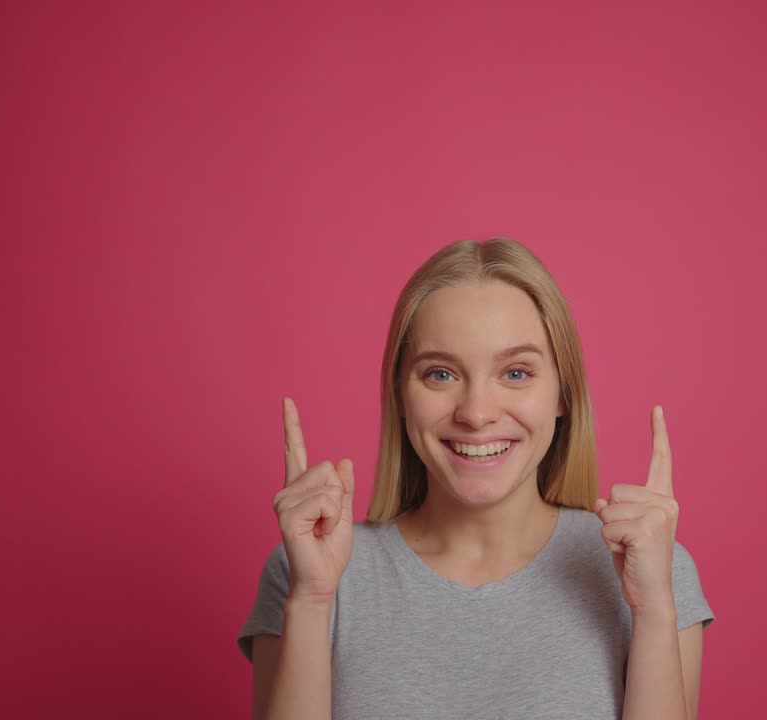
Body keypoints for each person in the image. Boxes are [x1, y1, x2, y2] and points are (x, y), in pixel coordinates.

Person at [238, 238, 714, 720]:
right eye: (441, 374)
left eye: (516, 372)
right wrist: (312, 601)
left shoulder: (652, 570)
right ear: (401, 397)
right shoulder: (307, 571)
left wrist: (654, 611)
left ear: (563, 396)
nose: (476, 413)